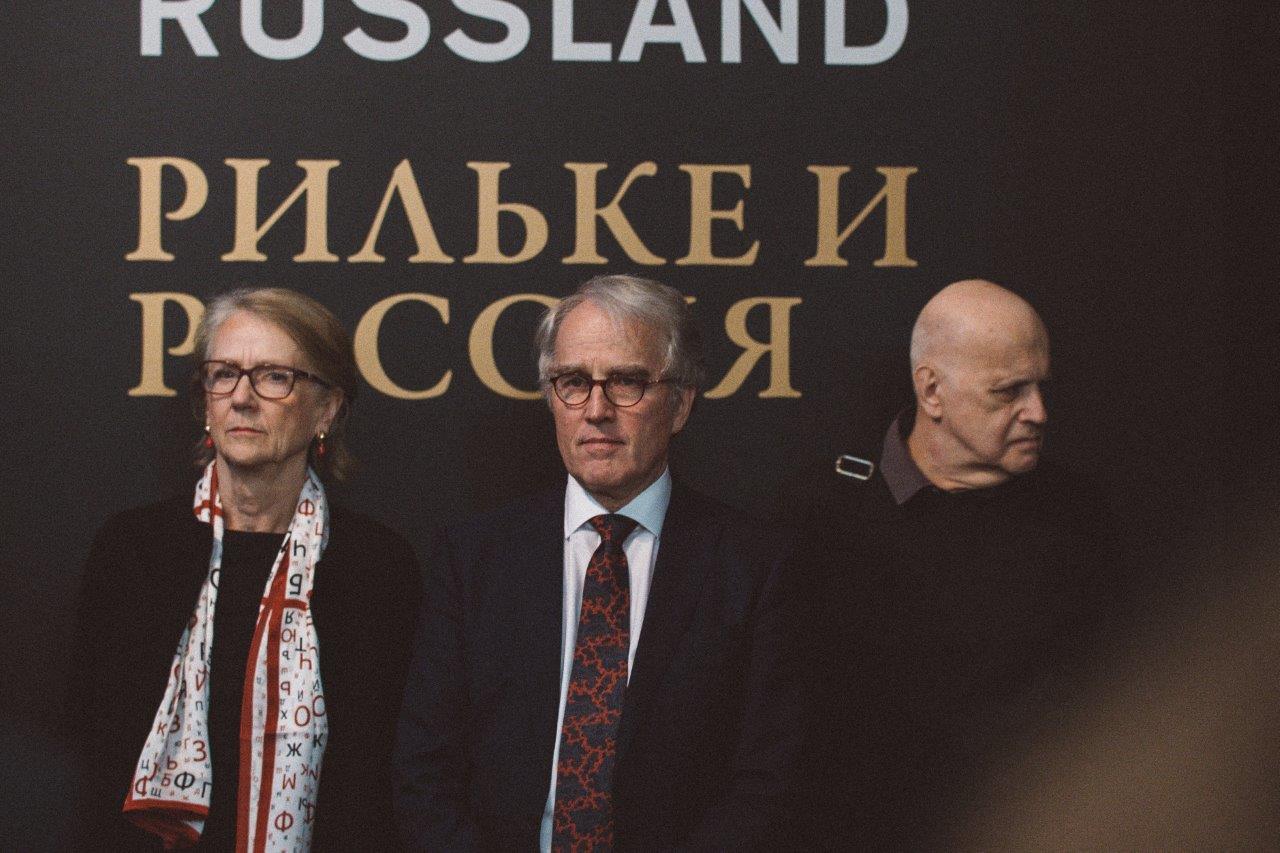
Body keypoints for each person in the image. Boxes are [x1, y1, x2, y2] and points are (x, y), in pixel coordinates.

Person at [393, 274, 808, 851]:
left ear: (681, 403)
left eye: (628, 383)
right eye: (572, 382)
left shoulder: (754, 566)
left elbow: (767, 786)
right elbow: (424, 772)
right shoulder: (474, 558)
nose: (596, 410)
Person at [70, 287, 421, 851]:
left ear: (327, 407)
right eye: (224, 373)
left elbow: (386, 781)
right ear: (205, 400)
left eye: (274, 376)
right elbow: (89, 750)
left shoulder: (377, 569)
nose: (242, 397)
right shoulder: (132, 551)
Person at [789, 279, 1123, 849]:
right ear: (932, 392)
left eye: (1041, 387)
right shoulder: (822, 523)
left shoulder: (1083, 527)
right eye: (1008, 392)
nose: (1038, 412)